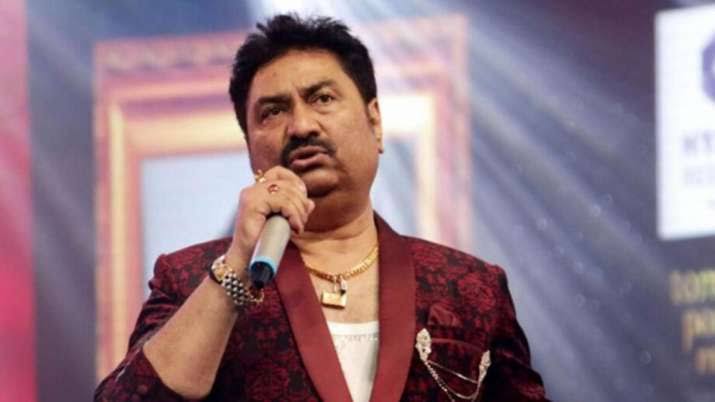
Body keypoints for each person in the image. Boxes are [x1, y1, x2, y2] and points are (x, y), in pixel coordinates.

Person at [95, 14, 549, 402]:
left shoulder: (469, 287)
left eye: (322, 99)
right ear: (250, 149)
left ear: (375, 121)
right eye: (272, 111)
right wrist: (236, 268)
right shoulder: (187, 278)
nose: (301, 125)